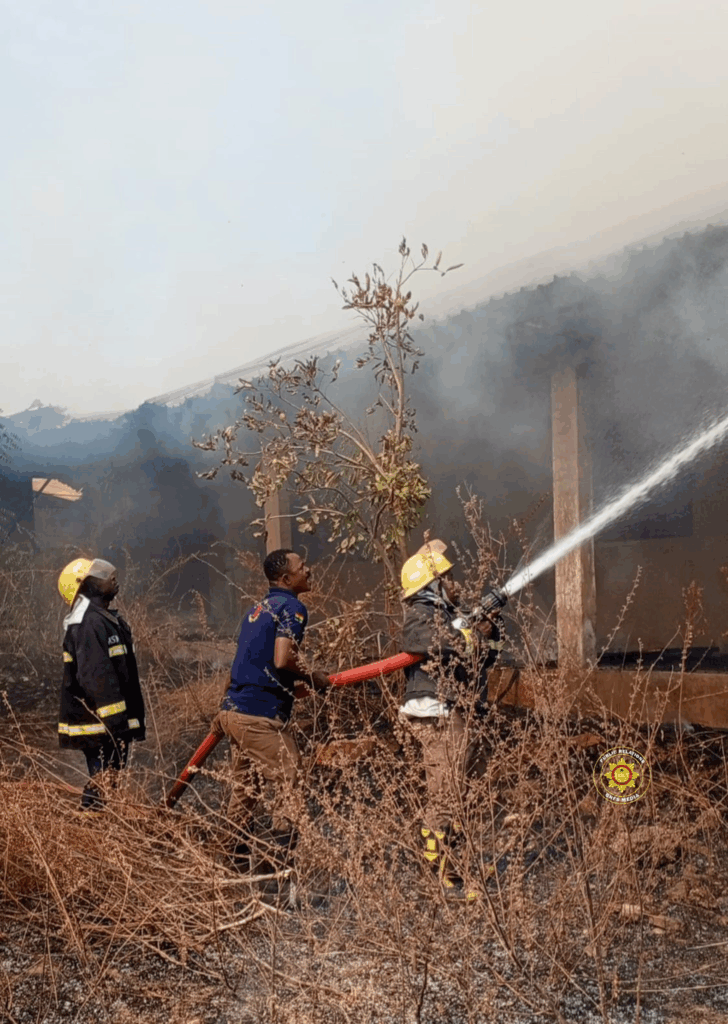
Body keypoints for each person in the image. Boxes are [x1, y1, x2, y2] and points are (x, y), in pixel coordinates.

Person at [213, 548, 329, 884]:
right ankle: (276, 873)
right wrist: (314, 678)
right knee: (291, 781)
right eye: (302, 566)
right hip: (259, 717)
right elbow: (283, 657)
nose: (308, 570)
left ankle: (226, 869)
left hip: (236, 712)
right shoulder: (293, 607)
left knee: (245, 791)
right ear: (286, 579)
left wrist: (225, 710)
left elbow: (241, 663)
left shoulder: (256, 610)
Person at [398, 539, 503, 900]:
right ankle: (439, 879)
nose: (455, 584)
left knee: (464, 793)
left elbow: (484, 658)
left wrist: (489, 630)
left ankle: (458, 867)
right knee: (446, 795)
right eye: (449, 578)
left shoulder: (450, 617)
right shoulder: (421, 614)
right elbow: (423, 641)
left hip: (458, 710)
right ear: (433, 585)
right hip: (437, 713)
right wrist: (469, 632)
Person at [58, 557, 146, 811]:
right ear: (85, 586)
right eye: (99, 575)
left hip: (111, 725)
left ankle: (100, 823)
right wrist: (116, 723)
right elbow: (95, 677)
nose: (111, 577)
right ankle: (91, 823)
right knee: (101, 786)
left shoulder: (106, 620)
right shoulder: (88, 623)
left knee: (109, 784)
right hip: (101, 726)